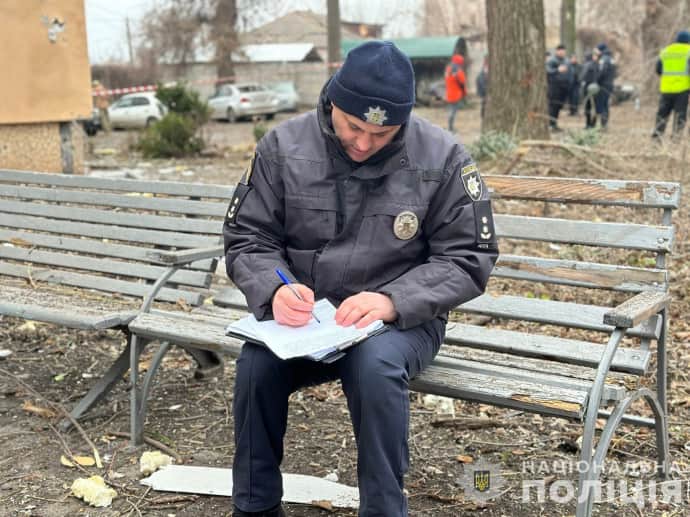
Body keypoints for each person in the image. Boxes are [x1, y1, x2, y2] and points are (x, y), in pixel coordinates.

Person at [223, 40, 499, 517]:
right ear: (333, 100)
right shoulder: (282, 148)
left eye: (383, 133)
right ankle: (255, 506)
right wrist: (275, 287)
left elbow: (468, 255)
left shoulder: (444, 158)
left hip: (401, 323)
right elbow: (249, 236)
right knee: (256, 365)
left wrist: (394, 300)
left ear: (403, 122)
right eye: (354, 126)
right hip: (309, 321)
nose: (365, 143)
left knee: (373, 366)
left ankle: (384, 508)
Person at [652, 30, 690, 139]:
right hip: (682, 90)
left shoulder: (666, 51)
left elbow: (658, 70)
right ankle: (675, 140)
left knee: (662, 115)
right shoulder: (689, 51)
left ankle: (656, 138)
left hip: (666, 89)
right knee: (679, 116)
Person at [545, 44, 572, 131]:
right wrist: (557, 70)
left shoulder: (566, 61)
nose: (562, 52)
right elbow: (547, 71)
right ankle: (551, 124)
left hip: (564, 88)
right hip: (554, 87)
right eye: (560, 51)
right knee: (553, 106)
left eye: (563, 51)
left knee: (558, 107)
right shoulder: (551, 60)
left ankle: (554, 124)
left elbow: (570, 72)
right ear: (557, 51)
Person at [593, 43, 616, 130]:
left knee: (602, 105)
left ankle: (603, 125)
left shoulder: (604, 59)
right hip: (610, 84)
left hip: (603, 85)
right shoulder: (611, 59)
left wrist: (596, 81)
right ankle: (604, 124)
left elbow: (602, 72)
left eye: (596, 50)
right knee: (605, 104)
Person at [444, 53, 467, 132]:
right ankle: (450, 128)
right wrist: (464, 93)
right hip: (456, 95)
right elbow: (462, 83)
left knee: (451, 110)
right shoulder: (459, 72)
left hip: (449, 94)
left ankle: (450, 126)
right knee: (453, 111)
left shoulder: (448, 70)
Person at [581, 51, 600, 129]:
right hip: (596, 88)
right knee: (595, 106)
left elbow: (583, 76)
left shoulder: (587, 65)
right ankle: (593, 124)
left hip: (588, 88)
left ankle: (588, 124)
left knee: (588, 106)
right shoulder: (597, 65)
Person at [476, 55, 489, 124]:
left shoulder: (485, 70)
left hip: (486, 90)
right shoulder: (484, 70)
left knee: (484, 105)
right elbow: (480, 81)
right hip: (485, 91)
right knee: (484, 105)